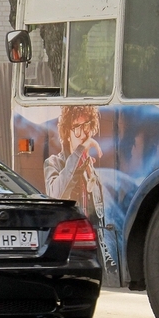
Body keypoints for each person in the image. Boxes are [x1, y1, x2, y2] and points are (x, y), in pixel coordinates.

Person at [44, 106, 118, 283]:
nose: (83, 134)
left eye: (86, 126)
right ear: (66, 133)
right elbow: (57, 194)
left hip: (89, 258)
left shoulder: (91, 170)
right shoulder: (53, 163)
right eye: (76, 127)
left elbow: (98, 225)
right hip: (66, 255)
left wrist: (110, 267)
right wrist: (79, 152)